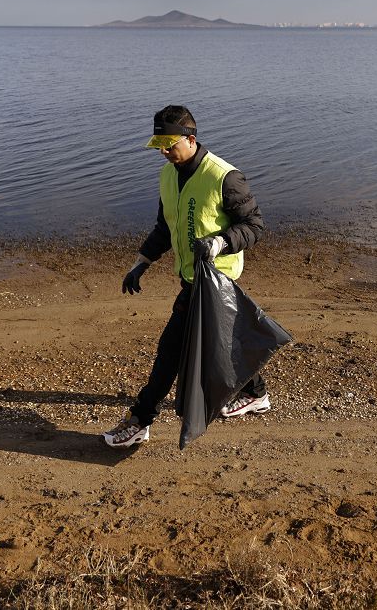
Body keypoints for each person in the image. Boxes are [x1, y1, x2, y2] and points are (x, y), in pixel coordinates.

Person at [103, 105, 268, 448]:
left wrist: (220, 243)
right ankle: (257, 394)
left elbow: (255, 226)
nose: (163, 153)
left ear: (191, 140)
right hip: (191, 279)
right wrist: (141, 263)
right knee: (225, 342)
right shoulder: (168, 175)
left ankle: (141, 419)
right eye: (158, 146)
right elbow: (166, 227)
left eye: (169, 145)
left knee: (170, 353)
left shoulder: (224, 176)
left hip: (216, 281)